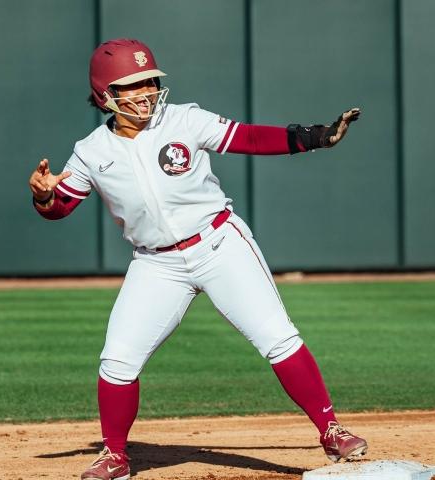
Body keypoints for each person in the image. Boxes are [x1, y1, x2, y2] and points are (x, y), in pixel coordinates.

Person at [29, 38, 366, 480]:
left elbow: (247, 137)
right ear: (105, 94)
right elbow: (60, 208)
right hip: (157, 264)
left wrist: (314, 137)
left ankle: (331, 429)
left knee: (277, 337)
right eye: (133, 85)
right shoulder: (91, 151)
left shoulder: (183, 119)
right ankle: (115, 454)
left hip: (219, 244)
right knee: (117, 360)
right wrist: (44, 196)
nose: (147, 92)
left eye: (150, 81)